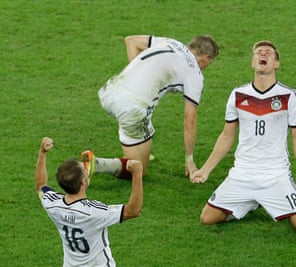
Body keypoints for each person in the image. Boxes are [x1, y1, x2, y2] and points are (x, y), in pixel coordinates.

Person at [191, 40, 296, 233]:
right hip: (242, 173)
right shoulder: (238, 94)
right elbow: (227, 136)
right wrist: (205, 170)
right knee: (207, 218)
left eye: (269, 53)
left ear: (276, 64)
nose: (263, 54)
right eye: (259, 52)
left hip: (275, 175)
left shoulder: (289, 96)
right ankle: (251, 203)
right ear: (253, 63)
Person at [82, 34, 219, 180]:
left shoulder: (171, 42)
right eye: (208, 63)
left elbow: (131, 41)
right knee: (138, 169)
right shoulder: (195, 75)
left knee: (143, 133)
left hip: (109, 91)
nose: (205, 67)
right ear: (205, 57)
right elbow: (189, 122)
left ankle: (137, 148)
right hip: (131, 108)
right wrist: (189, 160)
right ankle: (95, 164)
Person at [36, 137, 144, 266]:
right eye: (84, 170)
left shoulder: (52, 203)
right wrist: (137, 173)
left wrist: (42, 153)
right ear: (83, 181)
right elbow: (133, 211)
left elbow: (41, 185)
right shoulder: (93, 212)